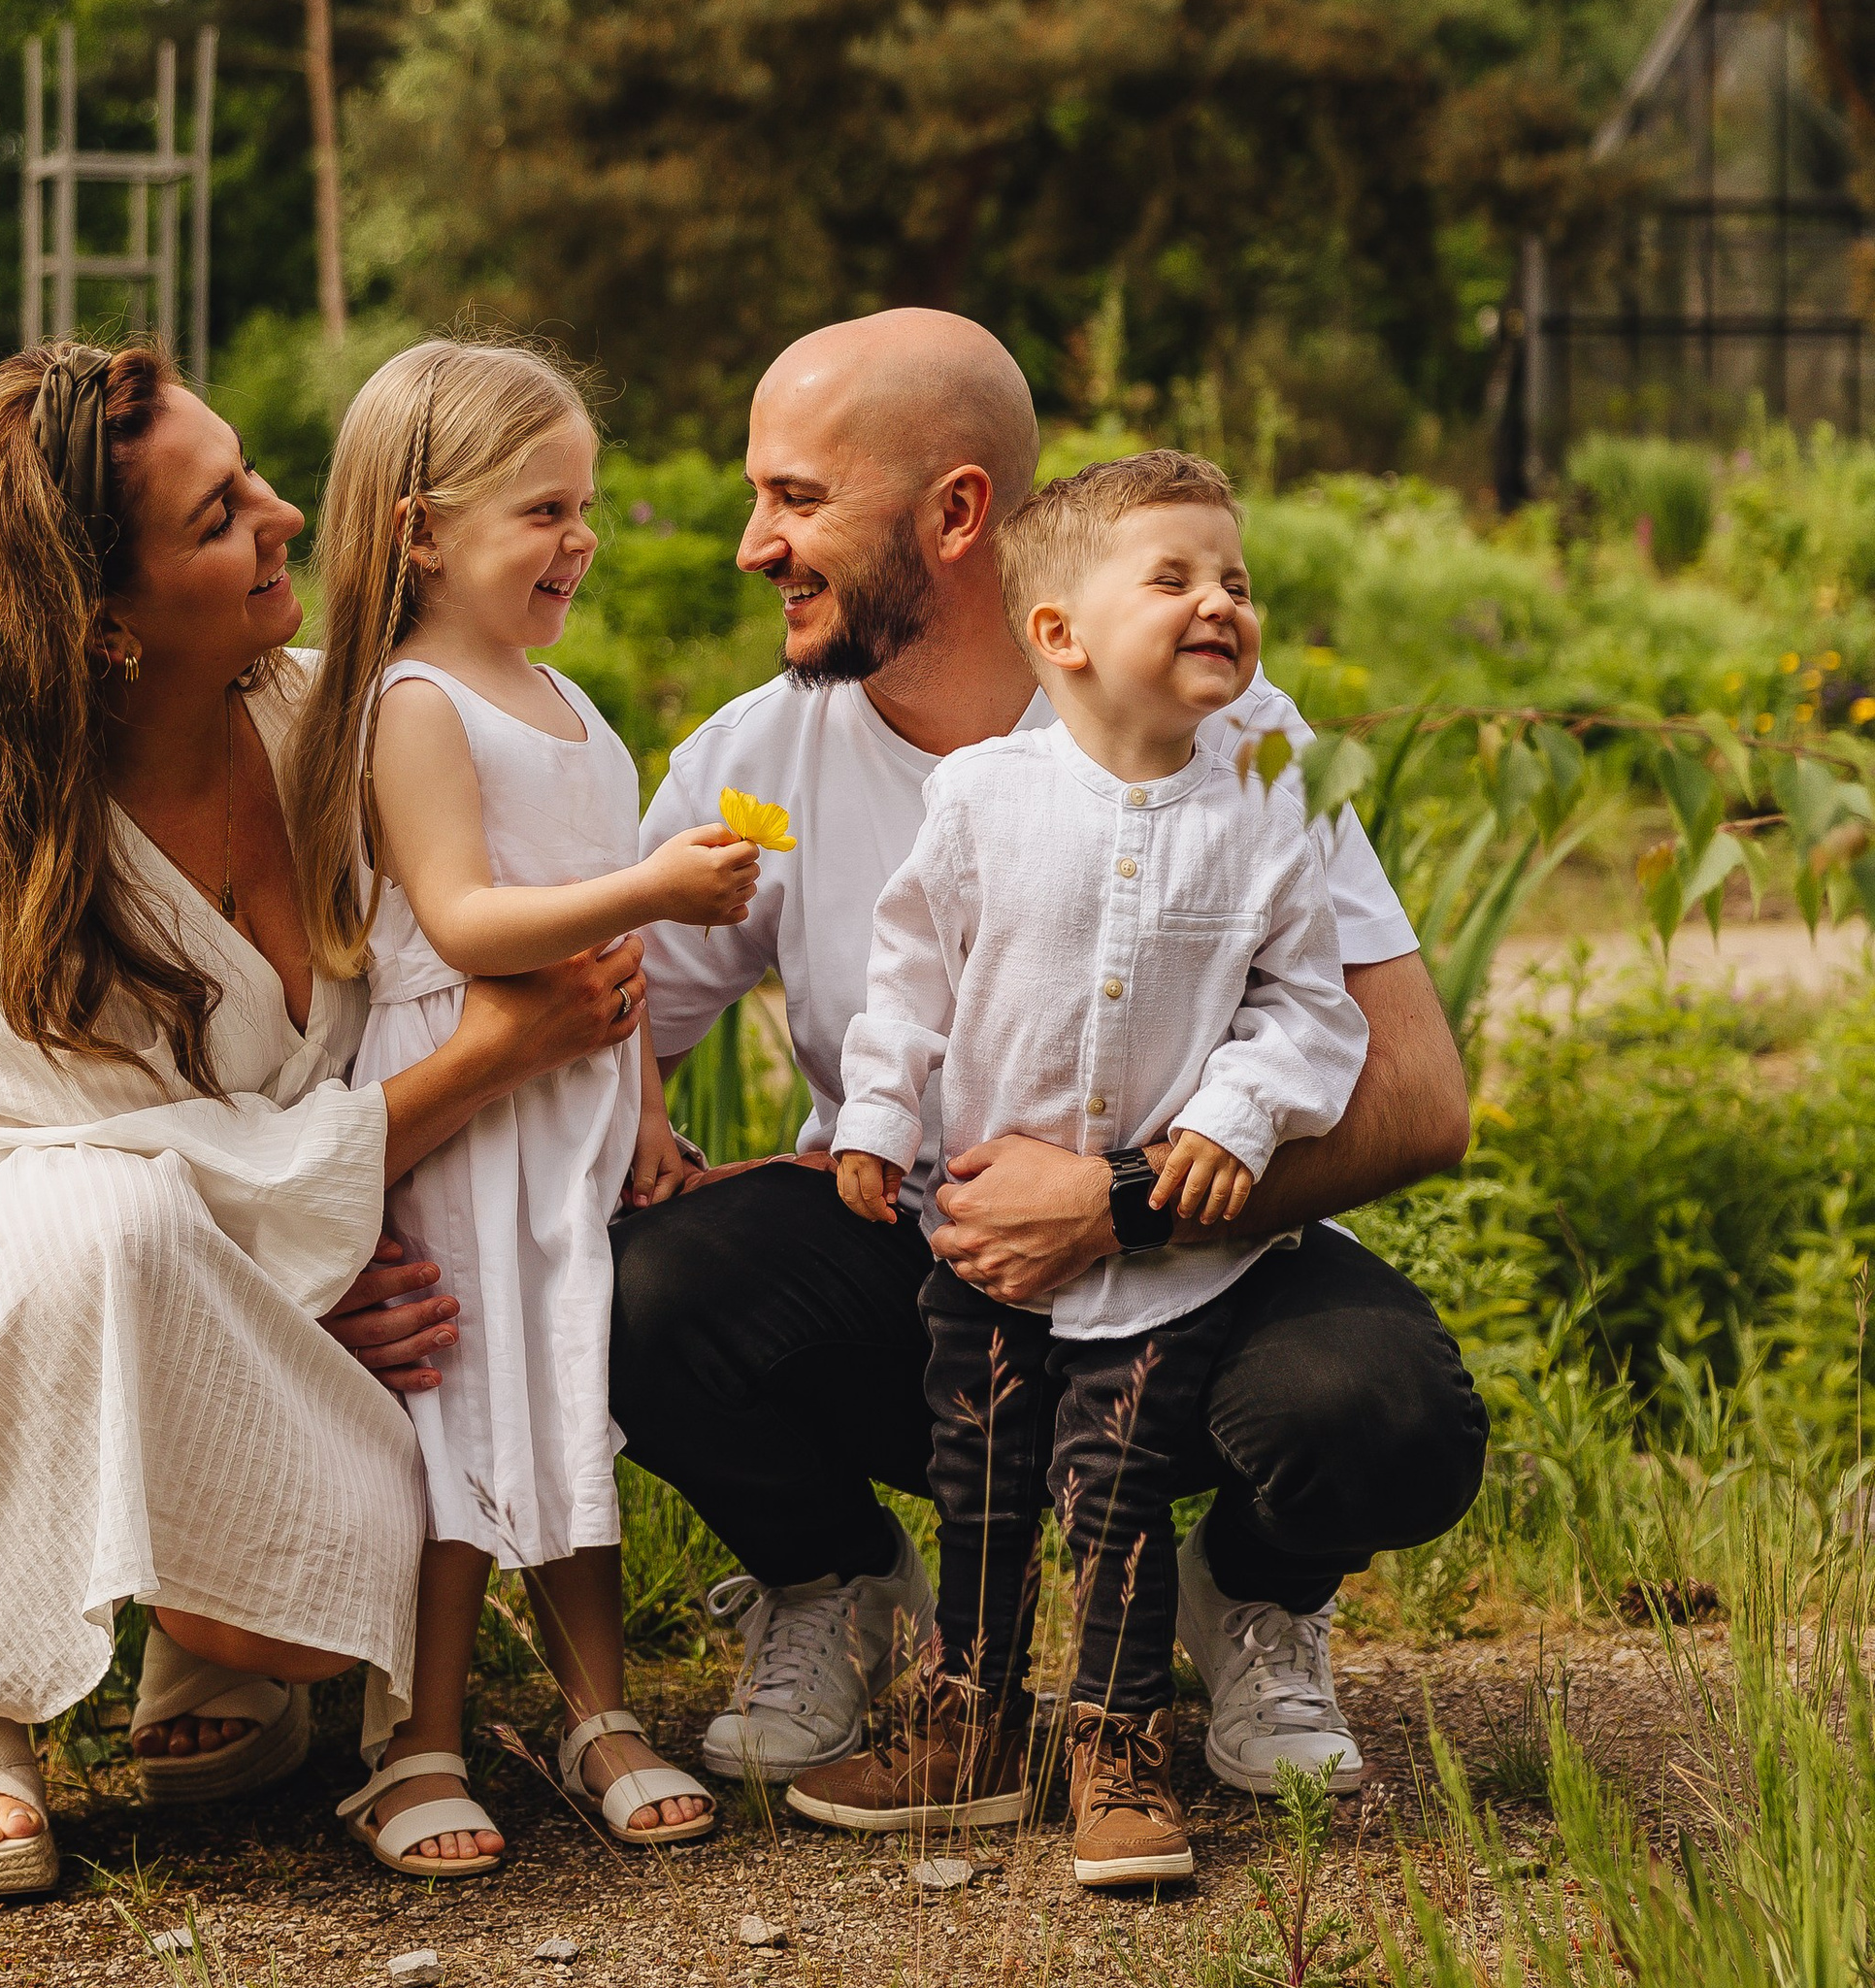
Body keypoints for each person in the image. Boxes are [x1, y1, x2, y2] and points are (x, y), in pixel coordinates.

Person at [495, 308, 1477, 1806]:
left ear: (957, 514)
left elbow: (1416, 1097)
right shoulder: (755, 768)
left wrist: (1120, 1200)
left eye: (796, 499)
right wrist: (642, 1132)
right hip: (938, 1290)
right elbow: (599, 1018)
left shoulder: (1232, 737)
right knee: (637, 1289)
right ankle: (837, 1582)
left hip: (1204, 1276)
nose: (754, 545)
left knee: (1388, 1418)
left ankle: (1255, 1598)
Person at [0, 339, 646, 1907]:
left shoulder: (335, 719)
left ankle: (208, 1639)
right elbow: (128, 1166)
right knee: (108, 1228)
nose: (281, 516)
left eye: (253, 472)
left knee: (363, 1580)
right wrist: (480, 1067)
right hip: (24, 1267)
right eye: (216, 518)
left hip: (307, 1248)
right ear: (99, 622)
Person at [802, 450, 1368, 1884]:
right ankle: (971, 1722)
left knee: (1114, 1495)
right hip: (983, 1236)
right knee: (978, 1478)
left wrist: (1236, 1119)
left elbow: (1310, 1010)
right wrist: (875, 1118)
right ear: (1058, 635)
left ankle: (1116, 1744)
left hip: (1159, 1262)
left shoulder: (1268, 811)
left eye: (1236, 580)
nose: (1221, 603)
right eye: (1173, 579)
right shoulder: (986, 801)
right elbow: (909, 980)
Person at [288, 340, 748, 1874]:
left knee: (565, 1390)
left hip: (566, 1114)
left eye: (586, 507)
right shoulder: (416, 703)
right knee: (449, 1409)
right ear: (420, 531)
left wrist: (649, 1109)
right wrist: (657, 882)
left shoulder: (561, 698)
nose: (581, 540)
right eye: (542, 511)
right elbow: (474, 921)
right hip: (467, 1104)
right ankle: (411, 1736)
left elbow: (598, 958)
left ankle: (590, 1707)